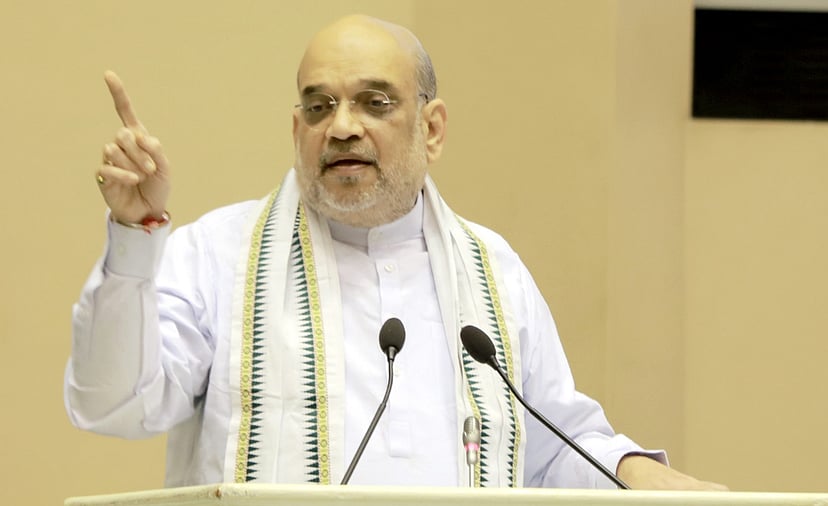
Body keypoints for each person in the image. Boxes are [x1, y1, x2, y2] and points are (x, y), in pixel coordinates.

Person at [65, 15, 726, 491]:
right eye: (319, 106)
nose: (342, 126)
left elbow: (550, 445)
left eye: (374, 102)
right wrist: (133, 234)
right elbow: (113, 403)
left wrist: (638, 471)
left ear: (430, 128)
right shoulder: (216, 255)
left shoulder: (492, 272)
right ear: (297, 131)